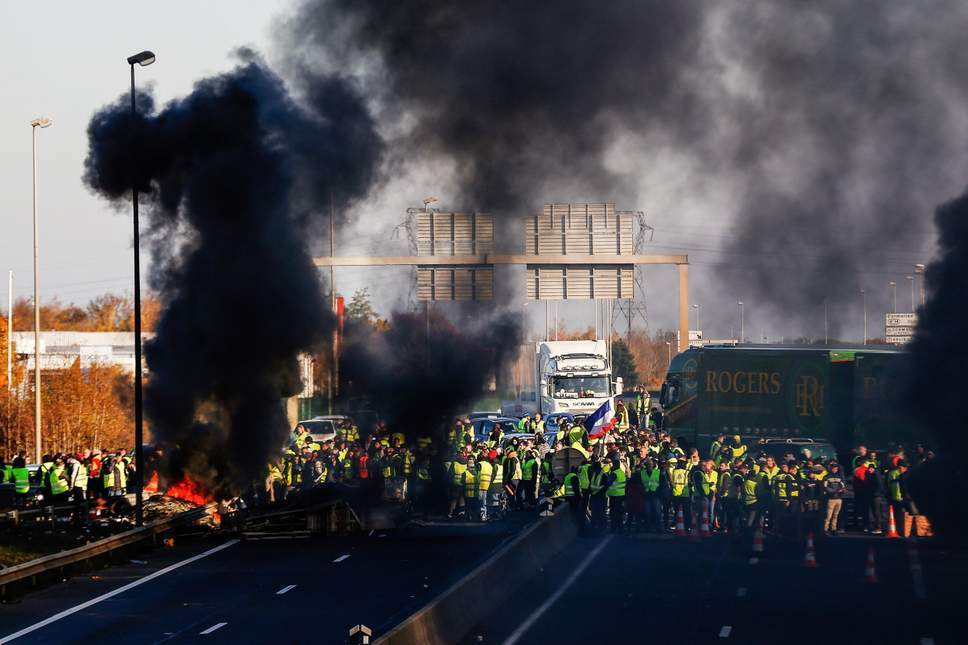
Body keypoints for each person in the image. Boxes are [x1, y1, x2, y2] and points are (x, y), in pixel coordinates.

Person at [823, 462, 847, 535]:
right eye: (833, 468)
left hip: (839, 499)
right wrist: (835, 491)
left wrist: (843, 490)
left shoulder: (840, 477)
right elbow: (825, 487)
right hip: (831, 499)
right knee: (828, 516)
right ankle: (825, 529)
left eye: (836, 468)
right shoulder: (827, 477)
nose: (835, 469)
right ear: (830, 468)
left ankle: (833, 529)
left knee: (835, 515)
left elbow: (843, 486)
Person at [605, 457, 626, 532]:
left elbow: (608, 482)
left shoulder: (614, 473)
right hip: (621, 495)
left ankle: (614, 528)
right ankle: (620, 528)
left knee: (613, 512)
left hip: (614, 495)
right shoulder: (621, 472)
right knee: (619, 512)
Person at [887, 460, 909, 534]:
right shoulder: (905, 473)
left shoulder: (891, 473)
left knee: (898, 515)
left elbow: (888, 485)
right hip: (901, 497)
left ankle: (899, 530)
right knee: (903, 515)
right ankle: (902, 531)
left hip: (896, 497)